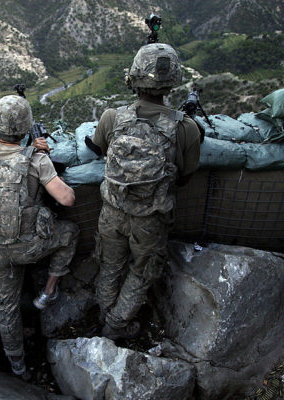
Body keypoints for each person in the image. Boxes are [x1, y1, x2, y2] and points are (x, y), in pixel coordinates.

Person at [92, 43, 201, 340]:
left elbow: (100, 150)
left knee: (110, 265)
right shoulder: (186, 128)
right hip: (150, 219)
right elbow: (185, 177)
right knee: (142, 271)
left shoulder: (112, 117)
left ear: (133, 78)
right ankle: (115, 325)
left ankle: (105, 313)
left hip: (112, 211)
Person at [0, 95, 79, 379]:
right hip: (27, 247)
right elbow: (66, 199)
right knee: (69, 233)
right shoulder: (37, 160)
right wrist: (39, 155)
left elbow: (7, 159)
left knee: (6, 309)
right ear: (27, 128)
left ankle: (17, 367)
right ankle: (48, 292)